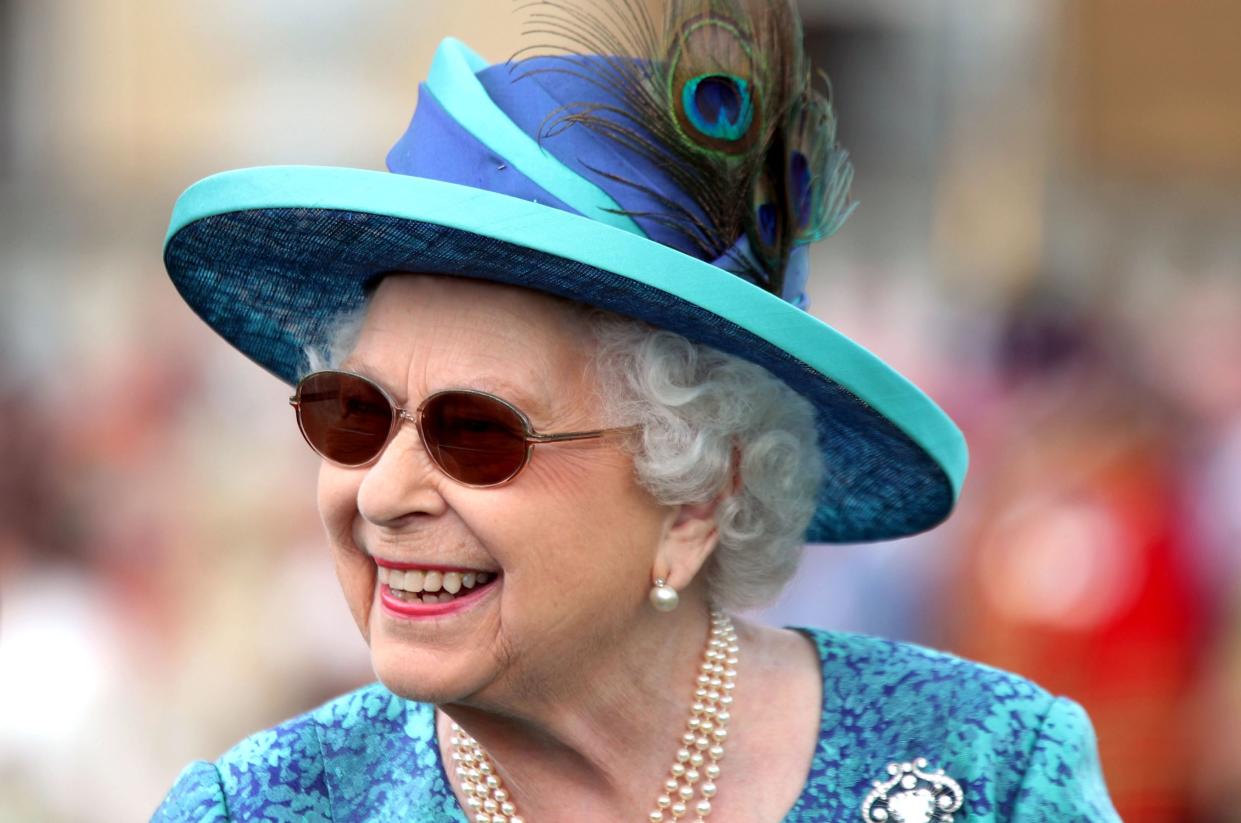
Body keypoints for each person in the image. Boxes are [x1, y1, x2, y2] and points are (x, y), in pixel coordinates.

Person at [152, 1, 1120, 820]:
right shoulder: (263, 808)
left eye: (477, 432)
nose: (382, 493)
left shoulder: (988, 767)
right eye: (353, 414)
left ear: (695, 496)